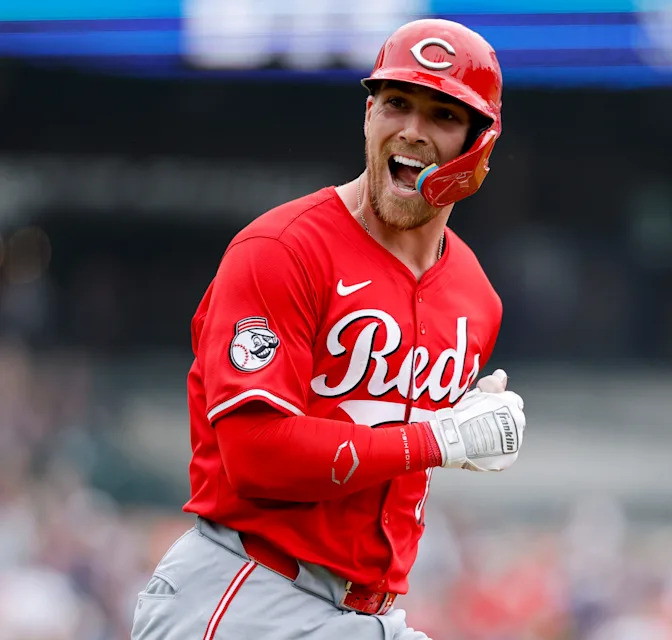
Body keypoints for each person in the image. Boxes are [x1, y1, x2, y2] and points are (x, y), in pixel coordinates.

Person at [131, 18, 526, 640]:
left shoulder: (476, 296)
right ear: (369, 116)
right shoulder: (281, 249)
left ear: (479, 147)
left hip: (366, 611)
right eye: (397, 103)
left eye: (443, 115)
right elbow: (255, 455)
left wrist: (459, 427)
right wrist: (438, 437)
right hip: (249, 589)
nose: (412, 130)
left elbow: (383, 446)